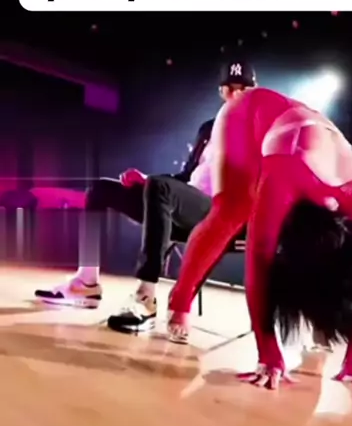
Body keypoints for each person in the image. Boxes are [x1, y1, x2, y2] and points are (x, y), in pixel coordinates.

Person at [166, 84, 352, 390]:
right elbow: (258, 259)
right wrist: (269, 356)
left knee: (346, 276)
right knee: (231, 211)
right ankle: (180, 300)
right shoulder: (283, 180)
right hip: (246, 114)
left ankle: (344, 354)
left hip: (295, 138)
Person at [34, 60, 257, 333]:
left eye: (243, 88)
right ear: (221, 91)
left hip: (221, 215)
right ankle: (86, 282)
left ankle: (145, 296)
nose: (236, 94)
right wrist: (147, 179)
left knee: (160, 188)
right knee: (101, 189)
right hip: (186, 204)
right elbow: (186, 176)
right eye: (230, 88)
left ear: (254, 90)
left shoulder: (260, 129)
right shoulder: (209, 128)